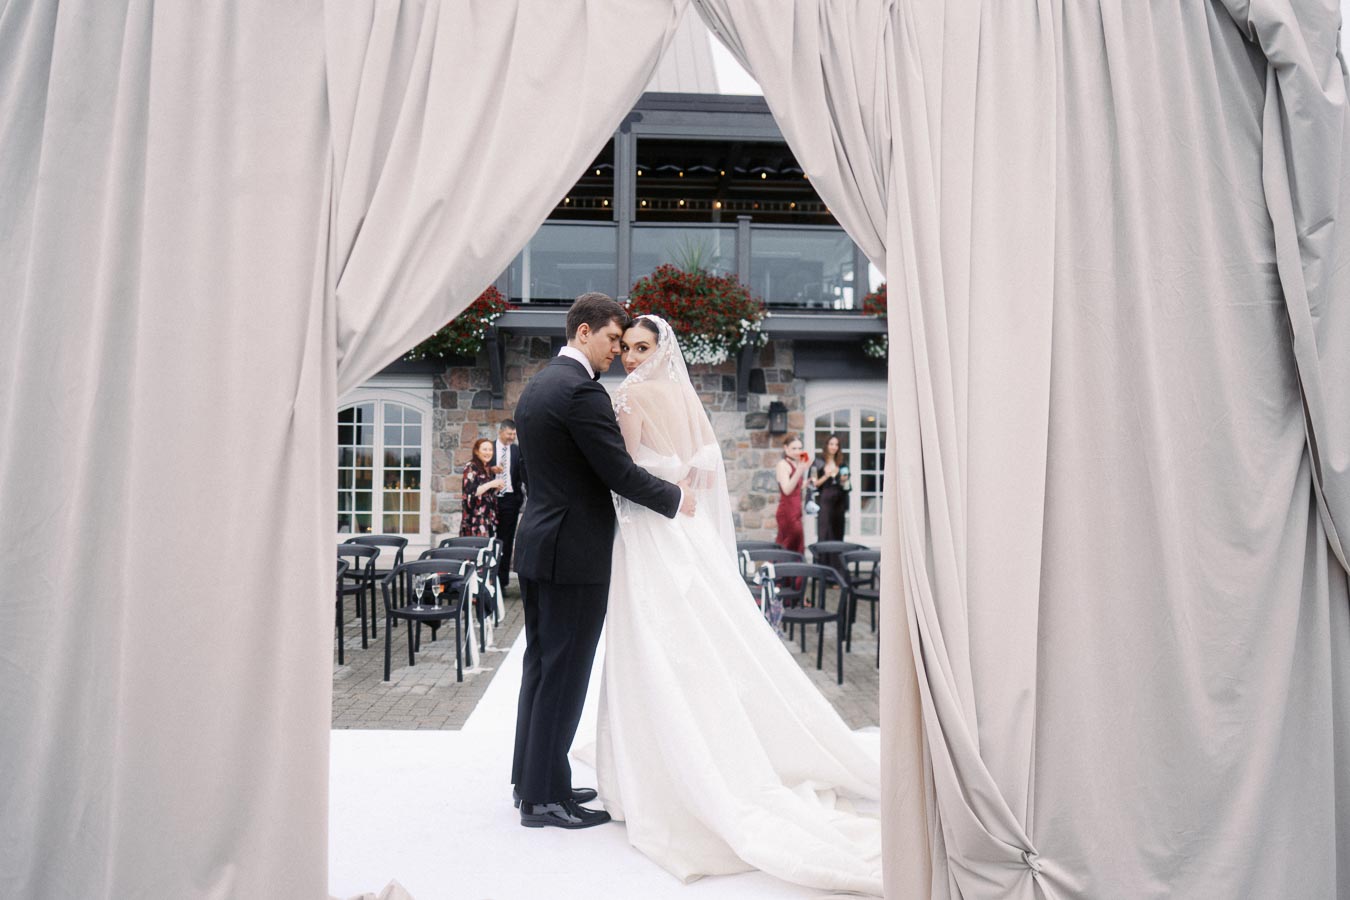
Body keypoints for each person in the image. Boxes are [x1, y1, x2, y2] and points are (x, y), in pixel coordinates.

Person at [592, 314, 882, 895]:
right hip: (688, 530)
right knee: (701, 633)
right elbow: (700, 478)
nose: (630, 357)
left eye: (640, 348)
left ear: (658, 350)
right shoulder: (683, 396)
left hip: (651, 531)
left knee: (651, 637)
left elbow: (621, 474)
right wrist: (680, 501)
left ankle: (661, 760)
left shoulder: (628, 399)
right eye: (626, 347)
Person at [510, 293, 696, 830]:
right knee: (565, 675)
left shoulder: (540, 385)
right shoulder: (583, 393)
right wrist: (676, 498)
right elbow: (617, 471)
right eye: (614, 339)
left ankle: (534, 779)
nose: (618, 350)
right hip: (576, 553)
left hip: (540, 541)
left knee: (542, 668)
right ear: (585, 331)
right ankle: (544, 801)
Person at [488, 419, 526, 587]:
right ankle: (487, 579)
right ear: (501, 432)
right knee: (489, 540)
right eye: (509, 434)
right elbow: (477, 468)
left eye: (514, 434)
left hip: (510, 499)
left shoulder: (517, 451)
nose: (512, 437)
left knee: (506, 541)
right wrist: (491, 470)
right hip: (490, 500)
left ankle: (501, 582)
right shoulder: (488, 448)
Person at [810, 432, 851, 569]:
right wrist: (827, 475)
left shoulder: (842, 463)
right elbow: (814, 483)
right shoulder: (817, 462)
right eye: (831, 444)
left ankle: (838, 574)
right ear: (826, 445)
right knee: (826, 534)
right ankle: (824, 573)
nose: (834, 447)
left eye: (836, 445)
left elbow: (847, 485)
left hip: (839, 501)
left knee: (838, 535)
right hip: (825, 500)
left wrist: (844, 480)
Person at [459, 437, 505, 537]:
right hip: (475, 520)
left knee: (487, 550)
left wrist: (496, 488)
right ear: (476, 451)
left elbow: (487, 495)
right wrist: (491, 484)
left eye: (490, 450)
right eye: (484, 449)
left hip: (488, 519)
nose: (488, 452)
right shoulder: (471, 467)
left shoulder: (487, 469)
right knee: (475, 550)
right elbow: (472, 492)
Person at [774, 434, 809, 554]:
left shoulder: (796, 464)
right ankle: (778, 571)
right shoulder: (782, 465)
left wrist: (806, 483)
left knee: (797, 545)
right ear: (786, 448)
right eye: (794, 448)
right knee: (787, 546)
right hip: (787, 512)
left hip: (796, 511)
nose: (797, 451)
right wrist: (799, 470)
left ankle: (795, 572)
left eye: (800, 448)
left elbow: (796, 488)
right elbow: (787, 490)